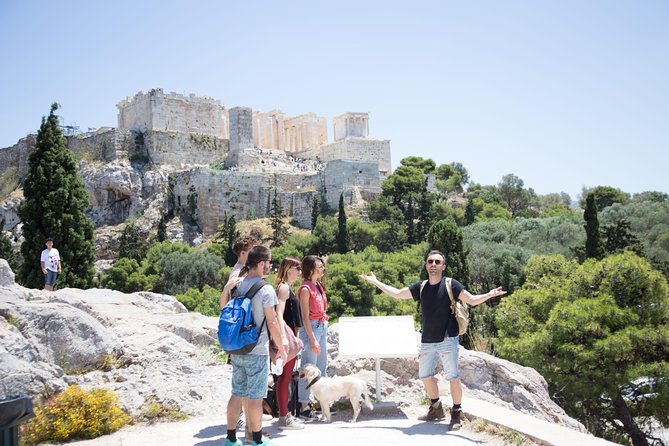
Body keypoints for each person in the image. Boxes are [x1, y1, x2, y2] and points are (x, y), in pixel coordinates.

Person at [359, 250, 506, 430]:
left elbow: (472, 300)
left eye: (437, 262)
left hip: (447, 339)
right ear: (426, 265)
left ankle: (456, 413)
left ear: (443, 266)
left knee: (453, 377)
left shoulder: (451, 284)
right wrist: (375, 282)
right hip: (427, 341)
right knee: (425, 376)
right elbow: (397, 294)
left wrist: (489, 294)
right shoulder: (421, 287)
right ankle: (436, 408)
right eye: (430, 261)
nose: (434, 264)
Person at [225, 246, 287, 446]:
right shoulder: (266, 289)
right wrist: (281, 347)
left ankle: (231, 439)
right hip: (257, 349)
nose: (270, 266)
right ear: (261, 264)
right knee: (255, 398)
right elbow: (272, 322)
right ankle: (257, 441)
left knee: (237, 393)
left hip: (237, 348)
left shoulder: (238, 284)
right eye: (269, 263)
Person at [273, 257, 305, 430]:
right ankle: (284, 417)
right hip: (287, 337)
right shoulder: (284, 288)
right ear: (287, 269)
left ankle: (285, 414)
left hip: (290, 335)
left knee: (285, 377)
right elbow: (279, 313)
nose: (300, 272)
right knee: (284, 378)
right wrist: (285, 339)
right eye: (297, 268)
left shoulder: (286, 287)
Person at [296, 255, 330, 421]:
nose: (322, 268)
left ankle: (321, 403)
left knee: (321, 366)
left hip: (322, 325)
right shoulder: (305, 288)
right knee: (308, 368)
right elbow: (304, 316)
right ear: (311, 269)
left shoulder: (318, 285)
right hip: (312, 327)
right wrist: (312, 339)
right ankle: (303, 405)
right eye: (319, 266)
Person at [220, 235, 259, 309]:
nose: (255, 253)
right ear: (243, 253)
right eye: (252, 250)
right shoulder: (237, 273)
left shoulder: (245, 268)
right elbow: (224, 305)